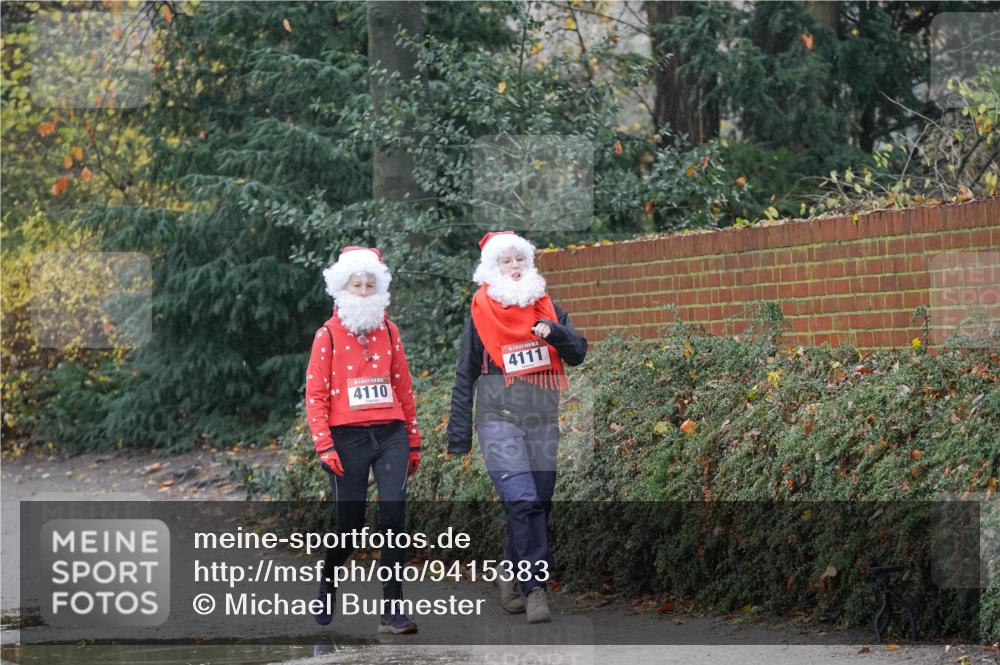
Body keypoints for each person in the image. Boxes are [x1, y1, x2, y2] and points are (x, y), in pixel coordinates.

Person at [447, 231, 588, 624]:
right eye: (505, 261)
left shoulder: (550, 309)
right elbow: (465, 375)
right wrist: (458, 436)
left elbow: (578, 352)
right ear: (492, 269)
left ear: (529, 265)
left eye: (519, 260)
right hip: (498, 422)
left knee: (538, 503)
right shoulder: (480, 314)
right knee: (523, 499)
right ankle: (535, 589)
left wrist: (554, 332)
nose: (513, 267)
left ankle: (510, 569)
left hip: (542, 420)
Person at [304, 246, 422, 635]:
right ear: (342, 288)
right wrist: (324, 444)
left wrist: (414, 439)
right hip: (347, 438)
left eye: (371, 285)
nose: (365, 291)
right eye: (357, 285)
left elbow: (403, 388)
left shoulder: (390, 330)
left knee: (394, 515)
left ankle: (392, 609)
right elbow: (316, 394)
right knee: (350, 527)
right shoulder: (327, 336)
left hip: (391, 433)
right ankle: (328, 580)